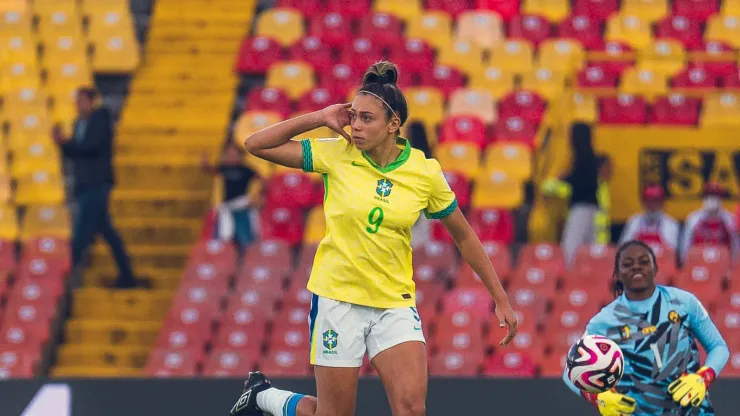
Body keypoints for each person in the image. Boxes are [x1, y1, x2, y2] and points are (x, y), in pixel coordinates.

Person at [229, 61, 517, 416]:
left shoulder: (424, 172)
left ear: (393, 124)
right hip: (338, 299)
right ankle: (262, 396)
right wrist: (321, 116)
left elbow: (465, 236)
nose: (356, 125)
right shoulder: (337, 152)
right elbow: (255, 144)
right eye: (353, 116)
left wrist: (500, 297)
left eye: (367, 118)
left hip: (393, 301)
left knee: (412, 408)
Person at [562, 240, 729, 415]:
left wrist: (703, 378)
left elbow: (719, 347)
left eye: (643, 262)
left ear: (655, 268)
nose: (636, 267)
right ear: (618, 274)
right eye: (628, 264)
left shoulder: (684, 302)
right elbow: (569, 373)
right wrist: (599, 398)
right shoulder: (605, 321)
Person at [52, 86, 137, 288]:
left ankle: (68, 273)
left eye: (82, 101)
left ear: (92, 101)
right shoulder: (78, 123)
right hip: (84, 184)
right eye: (77, 102)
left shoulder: (101, 118)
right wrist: (62, 144)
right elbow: (76, 152)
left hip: (97, 183)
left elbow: (91, 147)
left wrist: (67, 144)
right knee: (106, 230)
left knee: (81, 232)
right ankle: (127, 274)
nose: (78, 105)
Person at [542, 123, 610, 265]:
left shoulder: (583, 159)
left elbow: (576, 186)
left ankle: (569, 279)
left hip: (581, 209)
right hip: (593, 210)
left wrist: (562, 180)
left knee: (570, 249)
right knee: (591, 251)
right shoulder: (590, 159)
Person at [202, 141, 262, 252]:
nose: (231, 156)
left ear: (241, 155)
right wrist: (205, 163)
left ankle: (246, 256)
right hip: (227, 206)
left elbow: (261, 179)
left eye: (234, 154)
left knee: (245, 237)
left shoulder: (246, 170)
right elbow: (210, 170)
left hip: (242, 206)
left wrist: (256, 197)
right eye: (228, 153)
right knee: (224, 235)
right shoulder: (224, 168)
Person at [679, 182, 739, 262]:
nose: (712, 199)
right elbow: (685, 247)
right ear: (704, 198)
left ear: (721, 198)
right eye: (709, 195)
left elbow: (736, 247)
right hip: (698, 265)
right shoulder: (694, 218)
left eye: (716, 195)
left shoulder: (729, 219)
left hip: (723, 265)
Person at [619, 185, 681, 250]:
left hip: (661, 259)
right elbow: (623, 248)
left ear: (663, 203)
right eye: (649, 201)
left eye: (656, 201)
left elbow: (671, 250)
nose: (652, 205)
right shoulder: (634, 222)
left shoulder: (671, 224)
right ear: (643, 203)